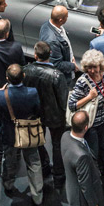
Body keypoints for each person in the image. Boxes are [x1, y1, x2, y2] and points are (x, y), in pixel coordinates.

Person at [0, 63, 44, 206]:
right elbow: (38, 110)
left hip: (9, 135)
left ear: (7, 78)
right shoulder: (32, 92)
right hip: (29, 133)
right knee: (34, 162)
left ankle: (8, 184)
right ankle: (37, 196)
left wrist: (1, 92)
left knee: (9, 160)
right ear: (24, 76)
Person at [23, 41, 68, 189]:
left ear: (35, 55)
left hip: (35, 113)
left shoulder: (26, 70)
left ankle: (44, 166)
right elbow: (63, 99)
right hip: (55, 115)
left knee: (39, 142)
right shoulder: (57, 75)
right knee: (57, 145)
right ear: (50, 54)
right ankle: (59, 176)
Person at [67, 49, 104, 179]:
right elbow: (72, 105)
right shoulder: (82, 81)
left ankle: (102, 167)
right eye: (89, 67)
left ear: (101, 65)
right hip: (91, 124)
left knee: (103, 146)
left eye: (94, 67)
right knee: (93, 150)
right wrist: (89, 97)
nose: (92, 71)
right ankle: (94, 174)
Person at [61, 110, 104, 206]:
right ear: (86, 128)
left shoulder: (65, 136)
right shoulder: (82, 156)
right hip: (83, 199)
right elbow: (85, 183)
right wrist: (93, 204)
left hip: (72, 187)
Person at [38, 5, 76, 86]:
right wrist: (73, 66)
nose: (67, 18)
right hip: (62, 78)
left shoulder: (48, 24)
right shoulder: (52, 41)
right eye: (66, 17)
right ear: (61, 20)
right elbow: (56, 64)